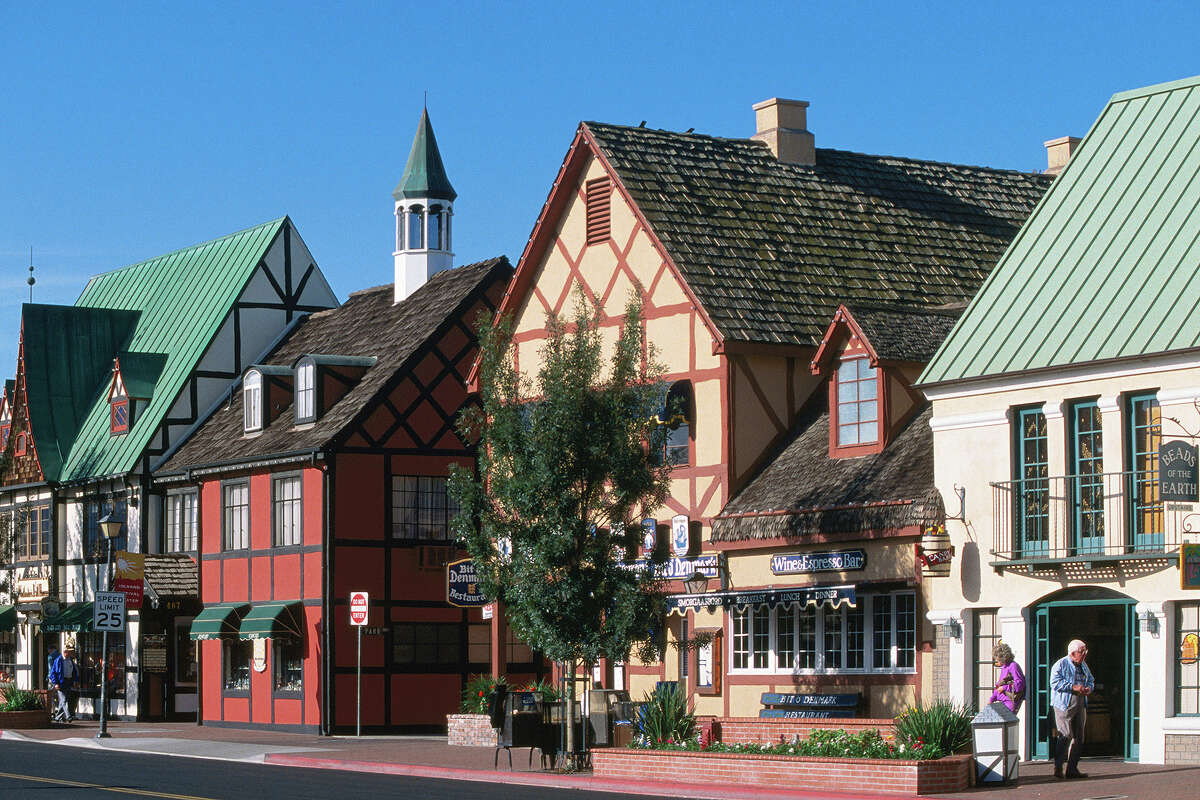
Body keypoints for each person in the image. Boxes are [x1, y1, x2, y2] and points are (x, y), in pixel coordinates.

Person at [1050, 639, 1094, 780]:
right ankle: (1058, 767)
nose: (1084, 654)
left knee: (1079, 737)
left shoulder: (1083, 665)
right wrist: (1073, 687)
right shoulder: (1061, 664)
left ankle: (1072, 769)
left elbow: (1091, 680)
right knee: (1066, 735)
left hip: (1080, 702)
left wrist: (1088, 688)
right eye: (1082, 652)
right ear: (1073, 653)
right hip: (1064, 704)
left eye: (1085, 651)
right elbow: (1054, 682)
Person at [988, 642, 1026, 713]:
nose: (996, 661)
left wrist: (1004, 688)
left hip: (1009, 703)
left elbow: (1019, 685)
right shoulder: (1004, 668)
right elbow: (999, 685)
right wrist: (992, 699)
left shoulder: (1013, 666)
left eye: (997, 659)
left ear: (1003, 658)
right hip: (1001, 702)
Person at [49, 644, 80, 723]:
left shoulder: (70, 660)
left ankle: (57, 717)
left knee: (63, 701)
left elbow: (74, 671)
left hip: (68, 681)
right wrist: (56, 683)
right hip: (61, 682)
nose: (69, 654)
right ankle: (68, 716)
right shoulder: (58, 660)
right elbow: (53, 673)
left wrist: (75, 681)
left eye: (70, 652)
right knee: (64, 700)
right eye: (68, 652)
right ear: (64, 652)